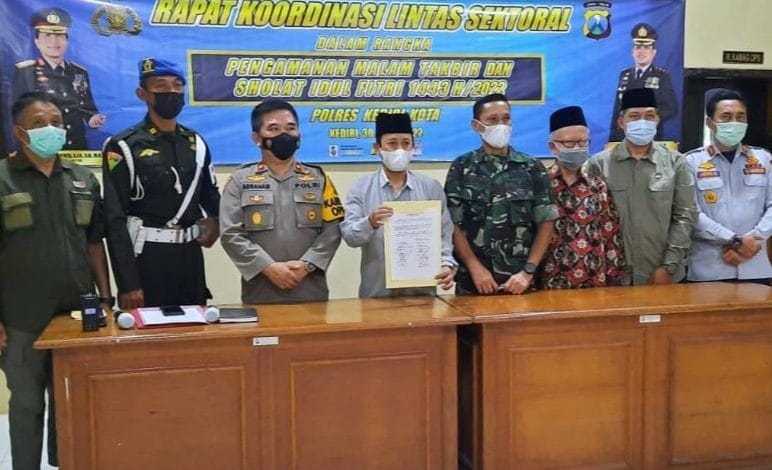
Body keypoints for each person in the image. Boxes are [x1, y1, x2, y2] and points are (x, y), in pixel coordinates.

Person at [0, 92, 112, 469]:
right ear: (19, 132)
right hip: (22, 317)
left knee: (72, 403)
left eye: (56, 121)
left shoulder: (82, 179)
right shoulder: (2, 179)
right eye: (39, 123)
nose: (51, 129)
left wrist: (106, 299)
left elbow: (95, 244)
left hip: (77, 314)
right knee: (28, 403)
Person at [102, 57, 220, 310]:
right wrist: (127, 283)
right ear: (142, 94)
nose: (171, 92)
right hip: (147, 258)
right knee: (149, 332)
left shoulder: (195, 143)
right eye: (161, 86)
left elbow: (210, 195)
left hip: (190, 257)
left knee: (195, 328)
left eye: (178, 86)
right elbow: (114, 219)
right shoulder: (123, 146)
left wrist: (218, 221)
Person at [220, 100, 343, 303]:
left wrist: (307, 265)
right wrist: (268, 267)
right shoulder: (239, 181)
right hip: (261, 291)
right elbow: (230, 234)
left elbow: (333, 229)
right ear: (257, 138)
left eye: (290, 128)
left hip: (310, 289)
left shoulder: (319, 179)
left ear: (299, 135)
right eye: (274, 129)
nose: (284, 135)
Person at [444, 93, 558, 295]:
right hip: (473, 282)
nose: (501, 125)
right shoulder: (462, 167)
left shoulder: (531, 167)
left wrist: (527, 272)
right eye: (492, 120)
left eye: (506, 119)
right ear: (477, 126)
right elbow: (453, 224)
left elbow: (546, 222)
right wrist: (474, 267)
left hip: (521, 282)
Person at [587, 88, 697, 285]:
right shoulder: (599, 164)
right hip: (614, 275)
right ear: (621, 122)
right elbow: (590, 221)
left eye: (649, 116)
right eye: (634, 116)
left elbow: (685, 215)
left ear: (658, 120)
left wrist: (669, 266)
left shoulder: (676, 162)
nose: (643, 122)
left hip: (662, 273)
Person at [341, 113, 457, 297]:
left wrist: (446, 264)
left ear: (413, 147)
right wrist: (369, 222)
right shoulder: (361, 188)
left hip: (422, 294)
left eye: (406, 143)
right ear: (377, 148)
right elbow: (349, 237)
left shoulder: (430, 187)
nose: (400, 150)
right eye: (392, 143)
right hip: (376, 294)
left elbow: (444, 233)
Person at [684, 88, 771, 284]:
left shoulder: (764, 159)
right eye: (726, 117)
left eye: (740, 117)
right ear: (710, 123)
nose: (734, 122)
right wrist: (734, 240)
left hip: (756, 266)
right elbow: (691, 213)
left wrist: (753, 240)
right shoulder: (691, 161)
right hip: (710, 268)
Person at [538, 106, 627, 289]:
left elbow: (610, 234)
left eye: (583, 142)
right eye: (570, 143)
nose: (577, 148)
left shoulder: (598, 186)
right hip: (549, 283)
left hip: (594, 283)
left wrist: (614, 278)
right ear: (553, 147)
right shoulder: (540, 185)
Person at [12, 7, 106, 150]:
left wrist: (93, 118)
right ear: (37, 41)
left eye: (59, 35)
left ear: (67, 40)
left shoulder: (79, 72)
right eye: (47, 35)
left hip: (76, 145)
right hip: (42, 146)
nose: (54, 41)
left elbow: (87, 107)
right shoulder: (25, 71)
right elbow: (16, 115)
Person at [608, 23, 677, 142]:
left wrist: (649, 118)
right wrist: (613, 138)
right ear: (632, 51)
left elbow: (671, 108)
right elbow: (617, 109)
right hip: (623, 135)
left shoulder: (662, 76)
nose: (641, 52)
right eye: (638, 47)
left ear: (653, 52)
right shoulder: (624, 75)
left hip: (650, 135)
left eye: (646, 47)